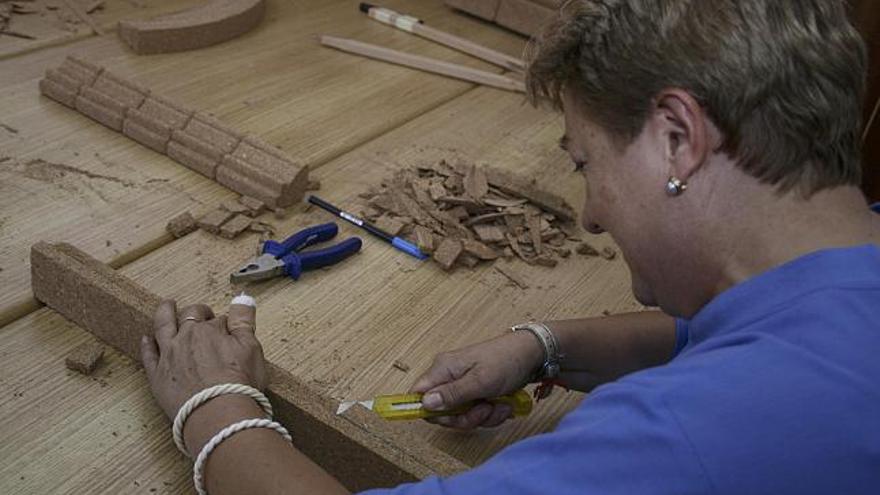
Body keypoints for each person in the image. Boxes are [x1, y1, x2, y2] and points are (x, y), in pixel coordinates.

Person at [139, 0, 880, 493]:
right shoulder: (852, 256)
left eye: (586, 163)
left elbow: (737, 395)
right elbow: (755, 328)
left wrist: (215, 409)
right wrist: (543, 344)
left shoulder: (699, 429)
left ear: (678, 139)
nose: (589, 214)